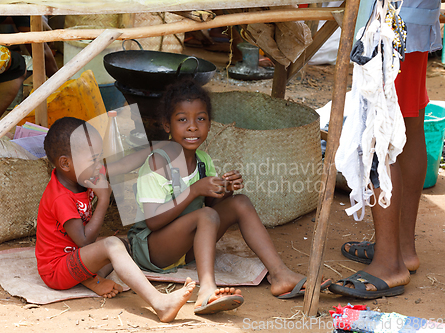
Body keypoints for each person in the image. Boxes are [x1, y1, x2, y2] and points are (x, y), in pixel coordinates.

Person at [128, 79, 332, 315]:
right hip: (153, 250)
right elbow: (153, 221)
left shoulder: (203, 160)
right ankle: (206, 290)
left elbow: (212, 209)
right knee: (205, 215)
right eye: (182, 120)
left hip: (185, 247)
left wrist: (224, 190)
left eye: (200, 119)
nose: (192, 127)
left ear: (209, 124)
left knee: (240, 203)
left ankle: (280, 275)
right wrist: (195, 190)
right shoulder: (158, 162)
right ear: (167, 125)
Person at [330, 0, 442, 299]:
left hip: (389, 22)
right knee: (408, 120)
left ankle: (389, 264)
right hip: (414, 19)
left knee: (380, 133)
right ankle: (402, 250)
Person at [36, 117, 196, 323]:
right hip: (57, 270)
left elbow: (124, 164)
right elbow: (84, 241)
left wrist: (157, 147)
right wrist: (103, 199)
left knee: (122, 244)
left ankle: (90, 280)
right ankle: (160, 303)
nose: (98, 166)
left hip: (74, 259)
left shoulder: (84, 173)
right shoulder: (60, 197)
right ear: (66, 163)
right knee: (111, 245)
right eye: (93, 159)